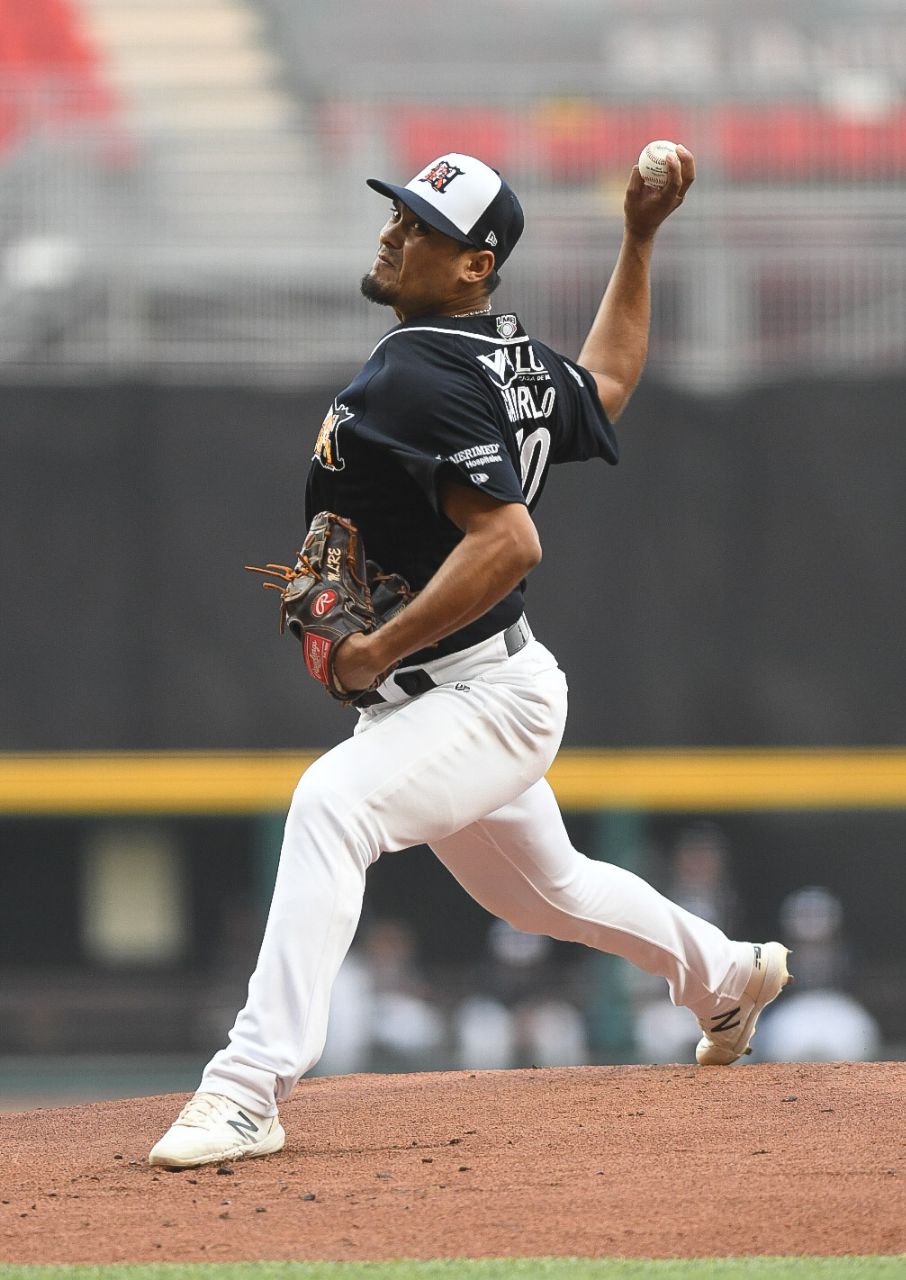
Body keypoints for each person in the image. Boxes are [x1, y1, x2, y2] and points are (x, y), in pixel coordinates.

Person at [149, 148, 790, 1168]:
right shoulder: (506, 357)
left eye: (421, 229)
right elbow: (611, 381)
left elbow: (510, 542)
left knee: (330, 806)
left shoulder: (418, 371)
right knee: (545, 891)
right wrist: (639, 237)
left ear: (474, 266)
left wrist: (374, 650)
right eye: (399, 216)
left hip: (481, 692)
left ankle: (246, 1088)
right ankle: (727, 976)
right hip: (464, 692)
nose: (393, 235)